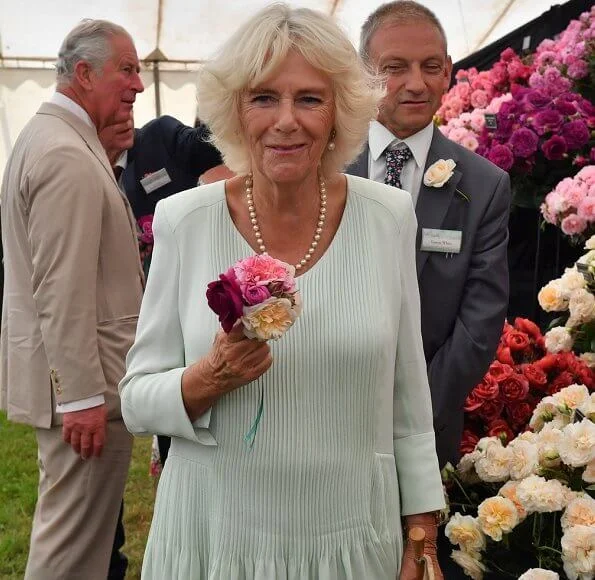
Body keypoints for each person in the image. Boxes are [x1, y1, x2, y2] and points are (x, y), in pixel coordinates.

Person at [119, 4, 445, 579]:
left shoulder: (388, 216)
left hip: (347, 541)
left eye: (310, 99)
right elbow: (137, 399)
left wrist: (421, 534)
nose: (286, 120)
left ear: (340, 111)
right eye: (264, 97)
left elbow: (409, 396)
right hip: (214, 538)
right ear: (234, 110)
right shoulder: (184, 220)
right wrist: (208, 376)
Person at [0, 19, 144, 580]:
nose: (135, 85)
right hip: (85, 392)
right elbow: (61, 287)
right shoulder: (64, 154)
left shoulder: (57, 140)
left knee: (82, 541)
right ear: (85, 74)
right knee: (71, 554)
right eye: (126, 70)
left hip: (81, 384)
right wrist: (82, 396)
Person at [347, 0, 511, 470]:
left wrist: (411, 414)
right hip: (323, 419)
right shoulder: (322, 167)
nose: (416, 83)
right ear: (364, 75)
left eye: (430, 67)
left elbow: (479, 326)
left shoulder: (484, 186)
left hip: (425, 431)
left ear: (448, 74)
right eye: (395, 67)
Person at [100, 114, 225, 468]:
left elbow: (205, 144)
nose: (133, 92)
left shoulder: (159, 138)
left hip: (197, 306)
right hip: (139, 315)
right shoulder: (87, 167)